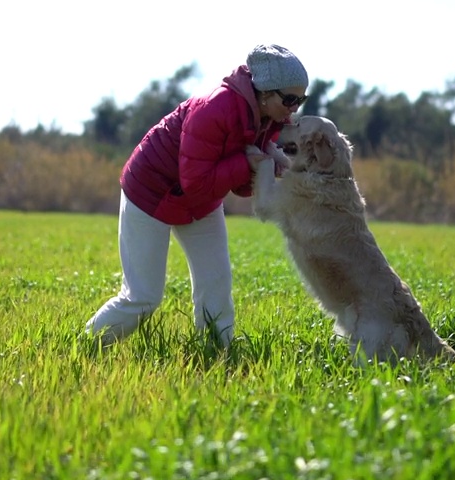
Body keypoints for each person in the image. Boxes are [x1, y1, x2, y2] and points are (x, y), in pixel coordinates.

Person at [85, 44, 310, 348]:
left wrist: (270, 168)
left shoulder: (270, 118)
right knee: (143, 297)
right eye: (290, 99)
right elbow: (197, 183)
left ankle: (218, 352)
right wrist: (247, 163)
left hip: (198, 199)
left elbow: (239, 186)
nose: (295, 108)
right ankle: (85, 345)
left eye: (301, 99)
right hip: (150, 193)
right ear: (266, 92)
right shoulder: (214, 109)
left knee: (216, 283)